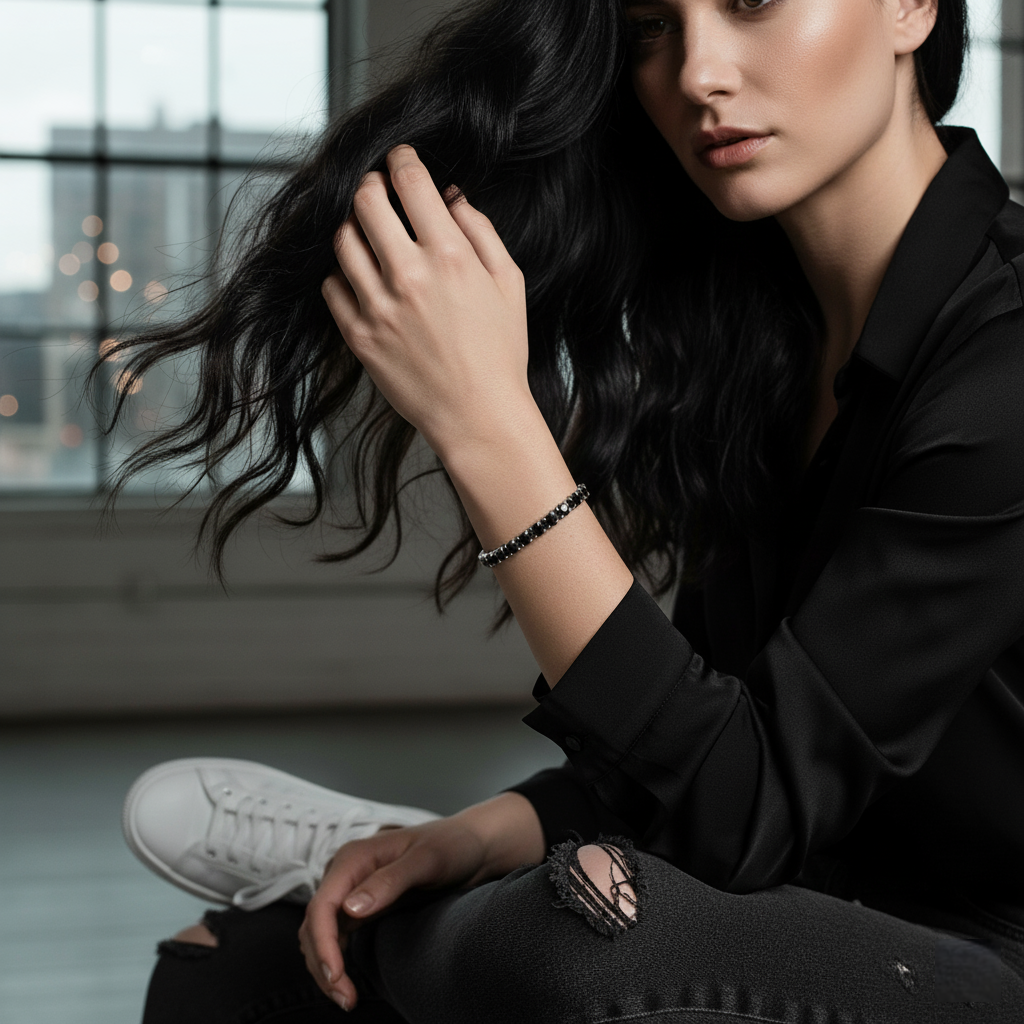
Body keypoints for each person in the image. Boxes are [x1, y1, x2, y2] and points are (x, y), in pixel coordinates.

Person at [107, 0, 1024, 1019]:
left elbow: (744, 806)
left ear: (909, 8)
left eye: (752, 3)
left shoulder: (1005, 361)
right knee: (219, 966)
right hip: (810, 890)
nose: (696, 73)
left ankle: (441, 927)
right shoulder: (764, 335)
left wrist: (488, 423)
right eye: (649, 27)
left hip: (985, 959)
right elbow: (723, 747)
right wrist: (469, 835)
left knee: (575, 928)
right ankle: (450, 898)